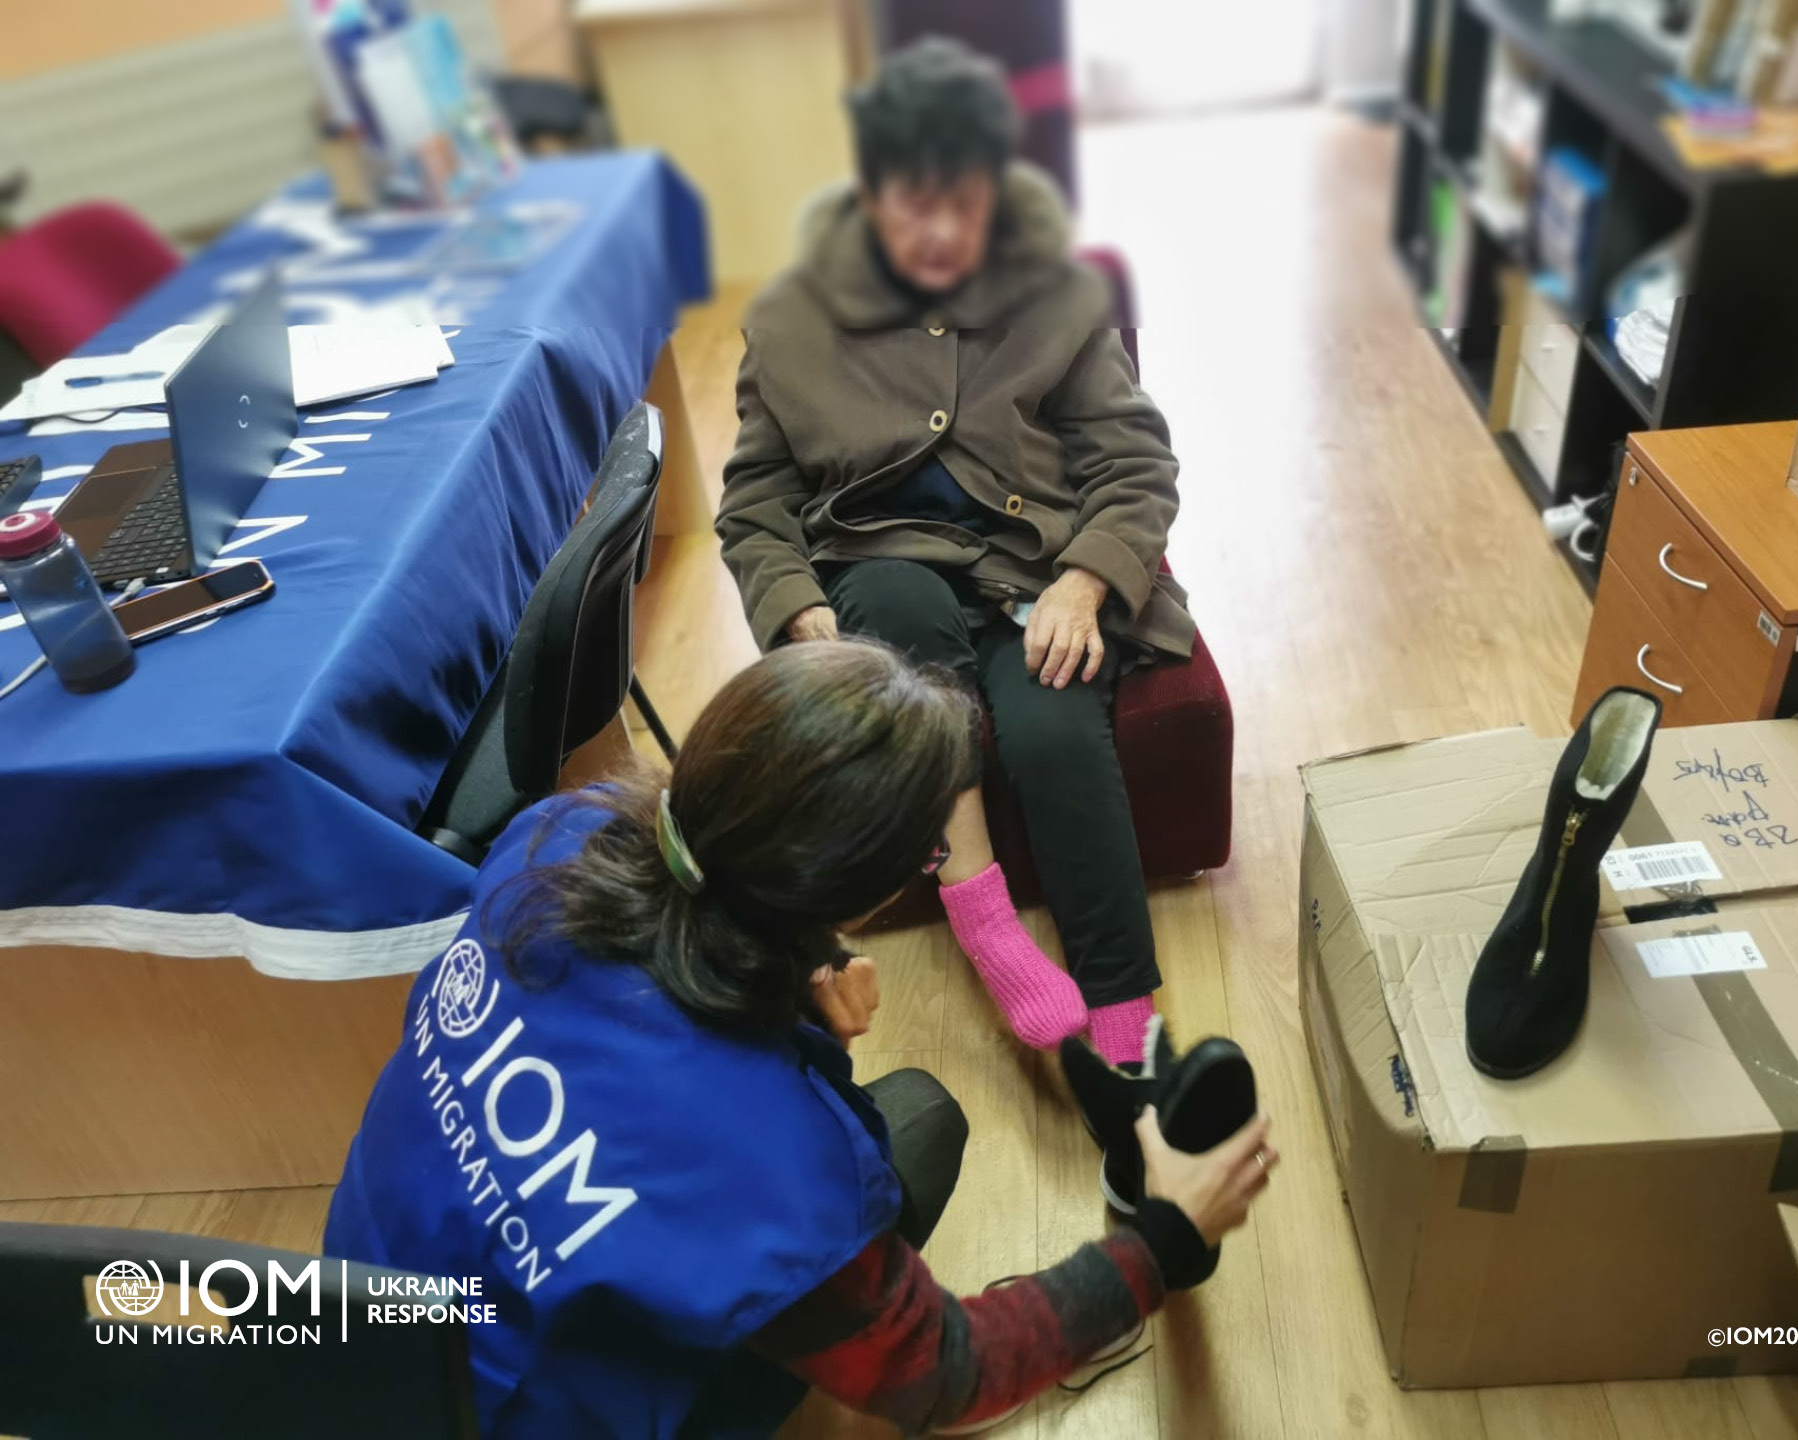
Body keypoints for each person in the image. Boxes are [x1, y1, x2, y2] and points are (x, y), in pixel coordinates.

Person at [325, 643, 1271, 1436]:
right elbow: (946, 1371)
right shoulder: (779, 1162)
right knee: (918, 1132)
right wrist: (1163, 1241)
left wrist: (792, 985)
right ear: (855, 894)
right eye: (929, 852)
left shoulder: (551, 836)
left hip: (351, 1318)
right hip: (494, 1416)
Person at [716, 38, 1190, 1075]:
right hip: (876, 566)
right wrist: (793, 604)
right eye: (909, 205)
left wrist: (1086, 576)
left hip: (1029, 570)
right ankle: (987, 923)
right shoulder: (791, 317)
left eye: (963, 206)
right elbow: (754, 502)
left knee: (1056, 725)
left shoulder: (1056, 292)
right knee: (899, 607)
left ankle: (1127, 1012)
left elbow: (1135, 461)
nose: (938, 234)